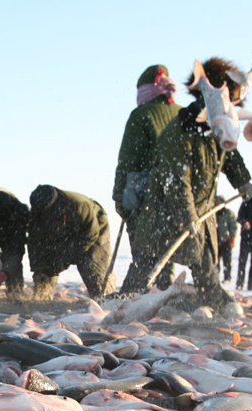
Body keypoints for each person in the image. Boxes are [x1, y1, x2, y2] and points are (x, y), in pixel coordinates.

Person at [122, 57, 252, 308]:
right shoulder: (182, 129)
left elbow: (230, 156)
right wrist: (187, 215)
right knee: (142, 276)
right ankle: (115, 312)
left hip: (200, 214)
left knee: (208, 275)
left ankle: (217, 307)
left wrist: (243, 181)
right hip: (163, 214)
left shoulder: (217, 128)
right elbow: (176, 179)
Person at [113, 65, 181, 292]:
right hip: (180, 194)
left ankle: (132, 297)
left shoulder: (141, 115)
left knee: (143, 250)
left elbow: (128, 159)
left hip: (146, 193)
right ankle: (164, 291)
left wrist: (118, 196)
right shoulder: (182, 113)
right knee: (167, 249)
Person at [27, 185, 114, 301]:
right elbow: (34, 243)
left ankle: (103, 300)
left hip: (92, 229)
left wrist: (64, 259)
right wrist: (38, 268)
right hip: (60, 231)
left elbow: (90, 235)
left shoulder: (80, 205)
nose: (44, 214)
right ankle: (43, 298)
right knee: (45, 266)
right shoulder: (37, 214)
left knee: (90, 266)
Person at [215, 197, 238, 282]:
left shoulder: (228, 213)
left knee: (227, 260)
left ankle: (227, 277)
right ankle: (215, 278)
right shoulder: (213, 213)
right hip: (215, 241)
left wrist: (232, 237)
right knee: (215, 261)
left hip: (226, 240)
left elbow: (233, 226)